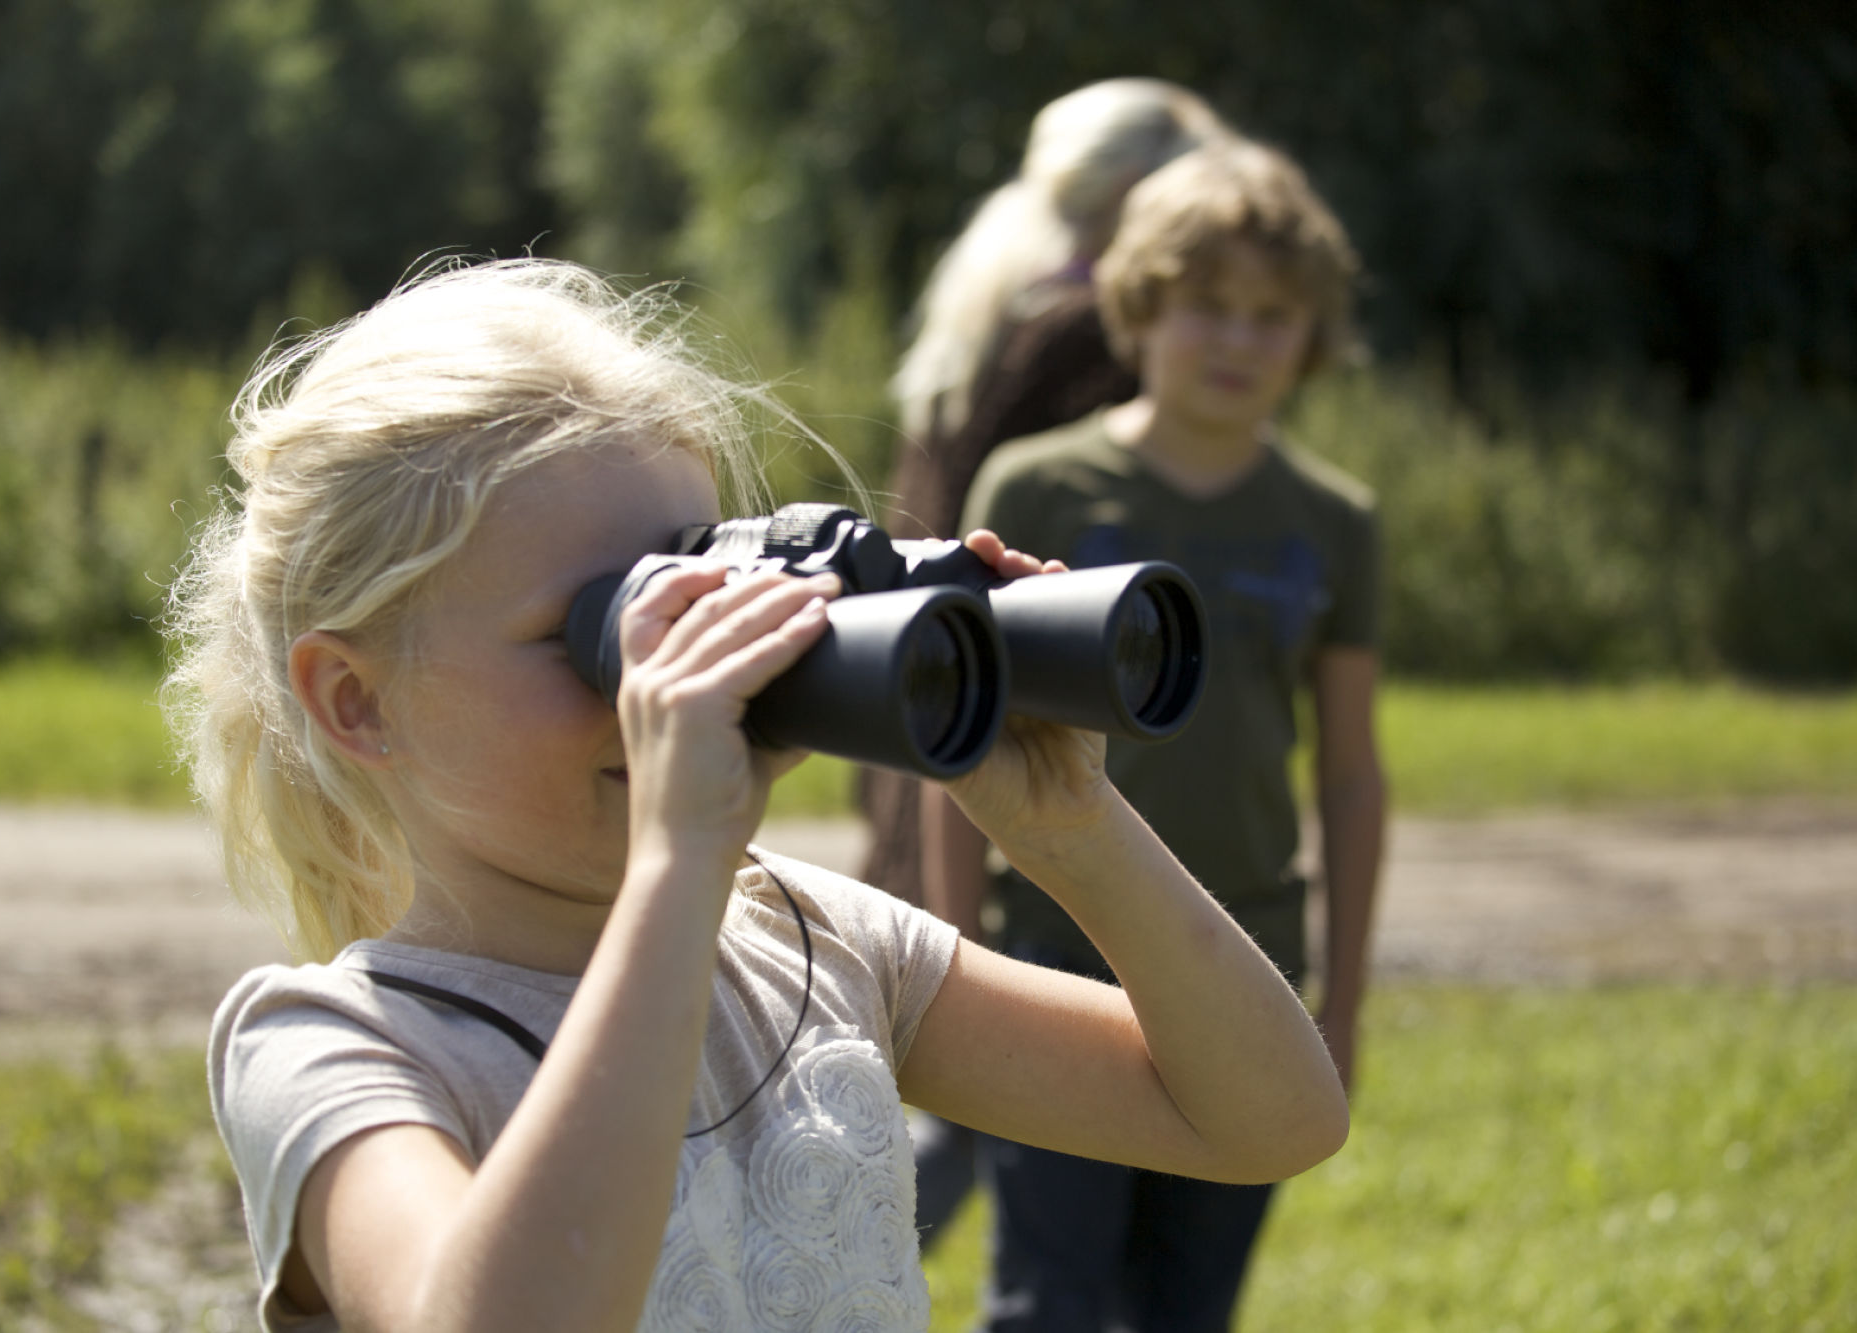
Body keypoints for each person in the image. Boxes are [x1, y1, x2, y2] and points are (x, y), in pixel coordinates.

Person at [164, 257, 1347, 1332]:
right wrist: (677, 866)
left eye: (706, 588)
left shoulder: (820, 941)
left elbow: (1266, 1121)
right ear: (357, 701)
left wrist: (1078, 831)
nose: (691, 669)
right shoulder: (335, 1046)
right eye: (610, 629)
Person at [933, 143, 1389, 1330]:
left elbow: (1348, 773)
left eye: (1270, 315)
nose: (1237, 341)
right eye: (1205, 306)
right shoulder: (1034, 487)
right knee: (1047, 1295)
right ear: (1136, 306)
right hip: (1050, 947)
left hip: (1244, 948)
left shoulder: (1333, 521)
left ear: (1311, 334)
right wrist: (950, 954)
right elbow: (953, 736)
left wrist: (1336, 997)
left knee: (1187, 1305)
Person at [862, 77, 1233, 918]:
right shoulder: (1091, 331)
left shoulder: (994, 301)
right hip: (1000, 669)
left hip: (924, 653)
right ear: (1138, 198)